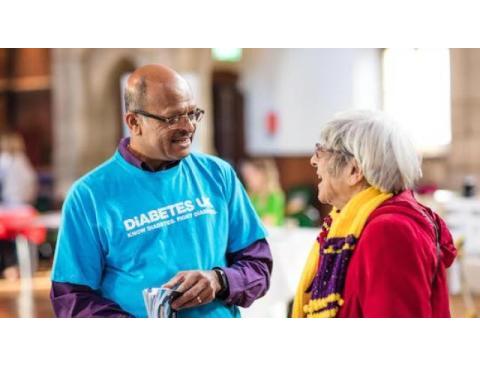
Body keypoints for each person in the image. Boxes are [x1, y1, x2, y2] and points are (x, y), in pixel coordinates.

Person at [50, 64, 273, 318]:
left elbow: (259, 266)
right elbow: (71, 298)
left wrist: (219, 280)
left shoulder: (218, 175)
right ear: (134, 122)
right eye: (172, 118)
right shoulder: (89, 196)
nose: (188, 126)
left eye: (192, 113)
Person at [292, 110, 457, 318]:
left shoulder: (390, 232)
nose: (313, 161)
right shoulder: (348, 220)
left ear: (354, 171)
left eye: (321, 152)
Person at [0, 132, 38, 281]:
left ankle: (8, 266)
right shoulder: (25, 163)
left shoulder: (4, 161)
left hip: (9, 209)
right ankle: (24, 266)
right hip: (27, 210)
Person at [240, 158, 285, 226]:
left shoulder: (275, 196)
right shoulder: (252, 196)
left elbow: (268, 222)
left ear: (264, 175)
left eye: (252, 175)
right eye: (246, 176)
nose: (248, 180)